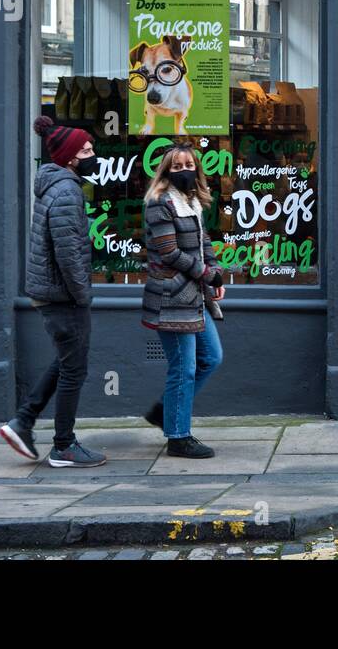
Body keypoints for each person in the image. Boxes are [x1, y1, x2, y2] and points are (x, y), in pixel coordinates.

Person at [0, 116, 107, 468]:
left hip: (53, 294)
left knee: (65, 361)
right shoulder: (67, 191)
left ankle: (24, 421)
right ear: (71, 157)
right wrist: (82, 294)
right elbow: (68, 252)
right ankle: (63, 446)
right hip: (62, 296)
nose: (94, 154)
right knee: (75, 369)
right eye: (87, 149)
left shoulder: (57, 185)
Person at [140, 144, 225, 459]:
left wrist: (215, 271)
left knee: (211, 357)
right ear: (166, 171)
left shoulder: (192, 202)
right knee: (183, 368)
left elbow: (203, 242)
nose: (184, 170)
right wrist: (206, 274)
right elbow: (169, 253)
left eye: (189, 164)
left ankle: (166, 410)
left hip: (194, 297)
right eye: (177, 166)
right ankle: (178, 436)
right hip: (171, 296)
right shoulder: (159, 204)